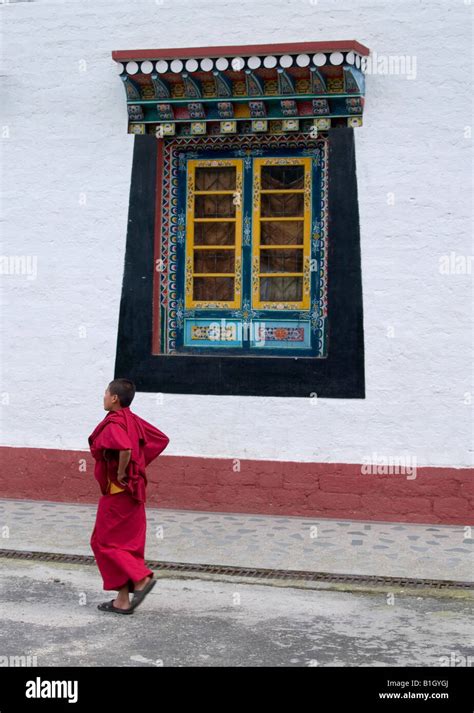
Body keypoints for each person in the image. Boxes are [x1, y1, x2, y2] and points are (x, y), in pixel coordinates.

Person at [88, 378, 170, 615]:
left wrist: (123, 470)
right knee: (125, 545)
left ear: (114, 398)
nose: (103, 396)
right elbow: (160, 439)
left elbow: (124, 447)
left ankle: (141, 579)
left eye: (105, 393)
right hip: (135, 491)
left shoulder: (115, 422)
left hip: (118, 493)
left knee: (103, 543)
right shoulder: (132, 420)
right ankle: (122, 601)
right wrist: (138, 467)